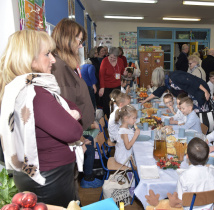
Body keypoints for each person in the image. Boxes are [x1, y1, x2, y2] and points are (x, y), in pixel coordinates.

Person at [0, 30, 83, 207]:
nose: (53, 59)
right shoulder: (34, 93)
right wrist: (71, 116)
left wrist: (71, 113)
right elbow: (74, 131)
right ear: (29, 59)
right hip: (50, 179)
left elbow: (72, 106)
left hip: (42, 175)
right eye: (47, 54)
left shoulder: (23, 88)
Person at [51, 18, 101, 190]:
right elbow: (63, 110)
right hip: (73, 135)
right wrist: (79, 138)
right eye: (79, 41)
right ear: (68, 39)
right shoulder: (59, 67)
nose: (81, 46)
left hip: (80, 130)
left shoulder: (66, 65)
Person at [176, 138, 214, 210]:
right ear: (208, 157)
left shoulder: (183, 177)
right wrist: (211, 167)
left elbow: (180, 200)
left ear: (187, 156)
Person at [140, 67, 210, 112]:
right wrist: (145, 101)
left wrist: (205, 91)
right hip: (191, 93)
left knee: (200, 113)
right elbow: (157, 92)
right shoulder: (166, 82)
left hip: (199, 90)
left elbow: (193, 81)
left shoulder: (175, 76)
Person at [99, 47, 126, 118]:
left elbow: (122, 71)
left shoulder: (120, 61)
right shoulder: (104, 61)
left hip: (117, 87)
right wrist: (102, 87)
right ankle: (108, 120)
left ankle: (117, 119)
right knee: (107, 105)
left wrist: (124, 72)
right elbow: (101, 75)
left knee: (117, 104)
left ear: (117, 56)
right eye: (111, 57)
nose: (112, 59)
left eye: (114, 58)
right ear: (108, 54)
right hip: (107, 87)